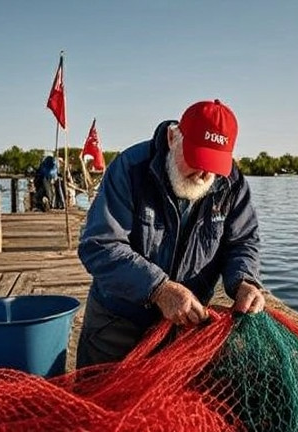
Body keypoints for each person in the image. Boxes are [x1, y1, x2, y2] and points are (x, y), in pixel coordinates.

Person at [76, 99, 265, 366]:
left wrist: (244, 281)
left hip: (184, 328)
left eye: (214, 164)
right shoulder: (130, 168)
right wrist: (158, 289)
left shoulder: (232, 184)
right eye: (197, 158)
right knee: (98, 401)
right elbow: (99, 244)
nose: (203, 173)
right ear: (173, 136)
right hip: (117, 325)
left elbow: (242, 242)